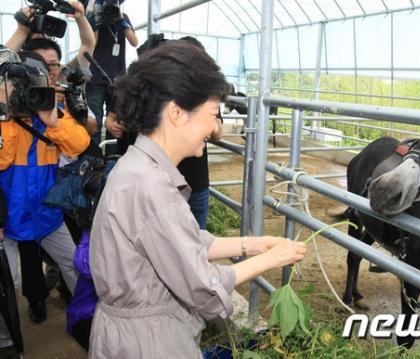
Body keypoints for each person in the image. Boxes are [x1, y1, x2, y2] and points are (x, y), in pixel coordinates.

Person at [89, 42, 306, 358]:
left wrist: (253, 244)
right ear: (176, 113)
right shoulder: (151, 187)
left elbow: (182, 242)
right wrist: (272, 260)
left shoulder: (139, 166)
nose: (214, 127)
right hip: (149, 343)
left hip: (134, 332)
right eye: (212, 113)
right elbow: (202, 285)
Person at [0, 48, 90, 352]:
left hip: (46, 216)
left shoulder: (51, 117)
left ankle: (92, 320)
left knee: (76, 266)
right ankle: (7, 342)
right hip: (7, 219)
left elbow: (80, 144)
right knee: (7, 283)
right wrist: (7, 117)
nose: (26, 97)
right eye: (19, 91)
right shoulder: (4, 120)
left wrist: (54, 120)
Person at [105, 34, 221, 229]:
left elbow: (191, 246)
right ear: (176, 113)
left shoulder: (135, 174)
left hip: (194, 182)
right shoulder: (149, 184)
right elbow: (185, 253)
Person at [83, 0, 138, 148]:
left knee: (115, 122)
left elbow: (134, 42)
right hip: (95, 77)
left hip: (118, 80)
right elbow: (91, 44)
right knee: (96, 121)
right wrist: (97, 22)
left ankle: (111, 159)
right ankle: (94, 159)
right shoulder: (94, 17)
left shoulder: (123, 16)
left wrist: (121, 22)